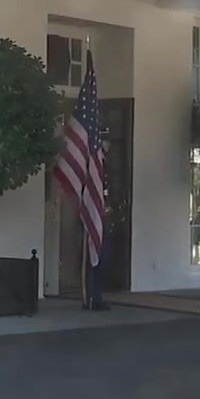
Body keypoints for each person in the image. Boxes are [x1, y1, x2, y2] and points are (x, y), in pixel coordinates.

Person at [83, 127, 114, 311]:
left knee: (102, 258)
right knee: (95, 257)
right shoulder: (94, 163)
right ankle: (93, 297)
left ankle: (97, 295)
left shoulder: (104, 163)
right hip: (94, 216)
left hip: (102, 215)